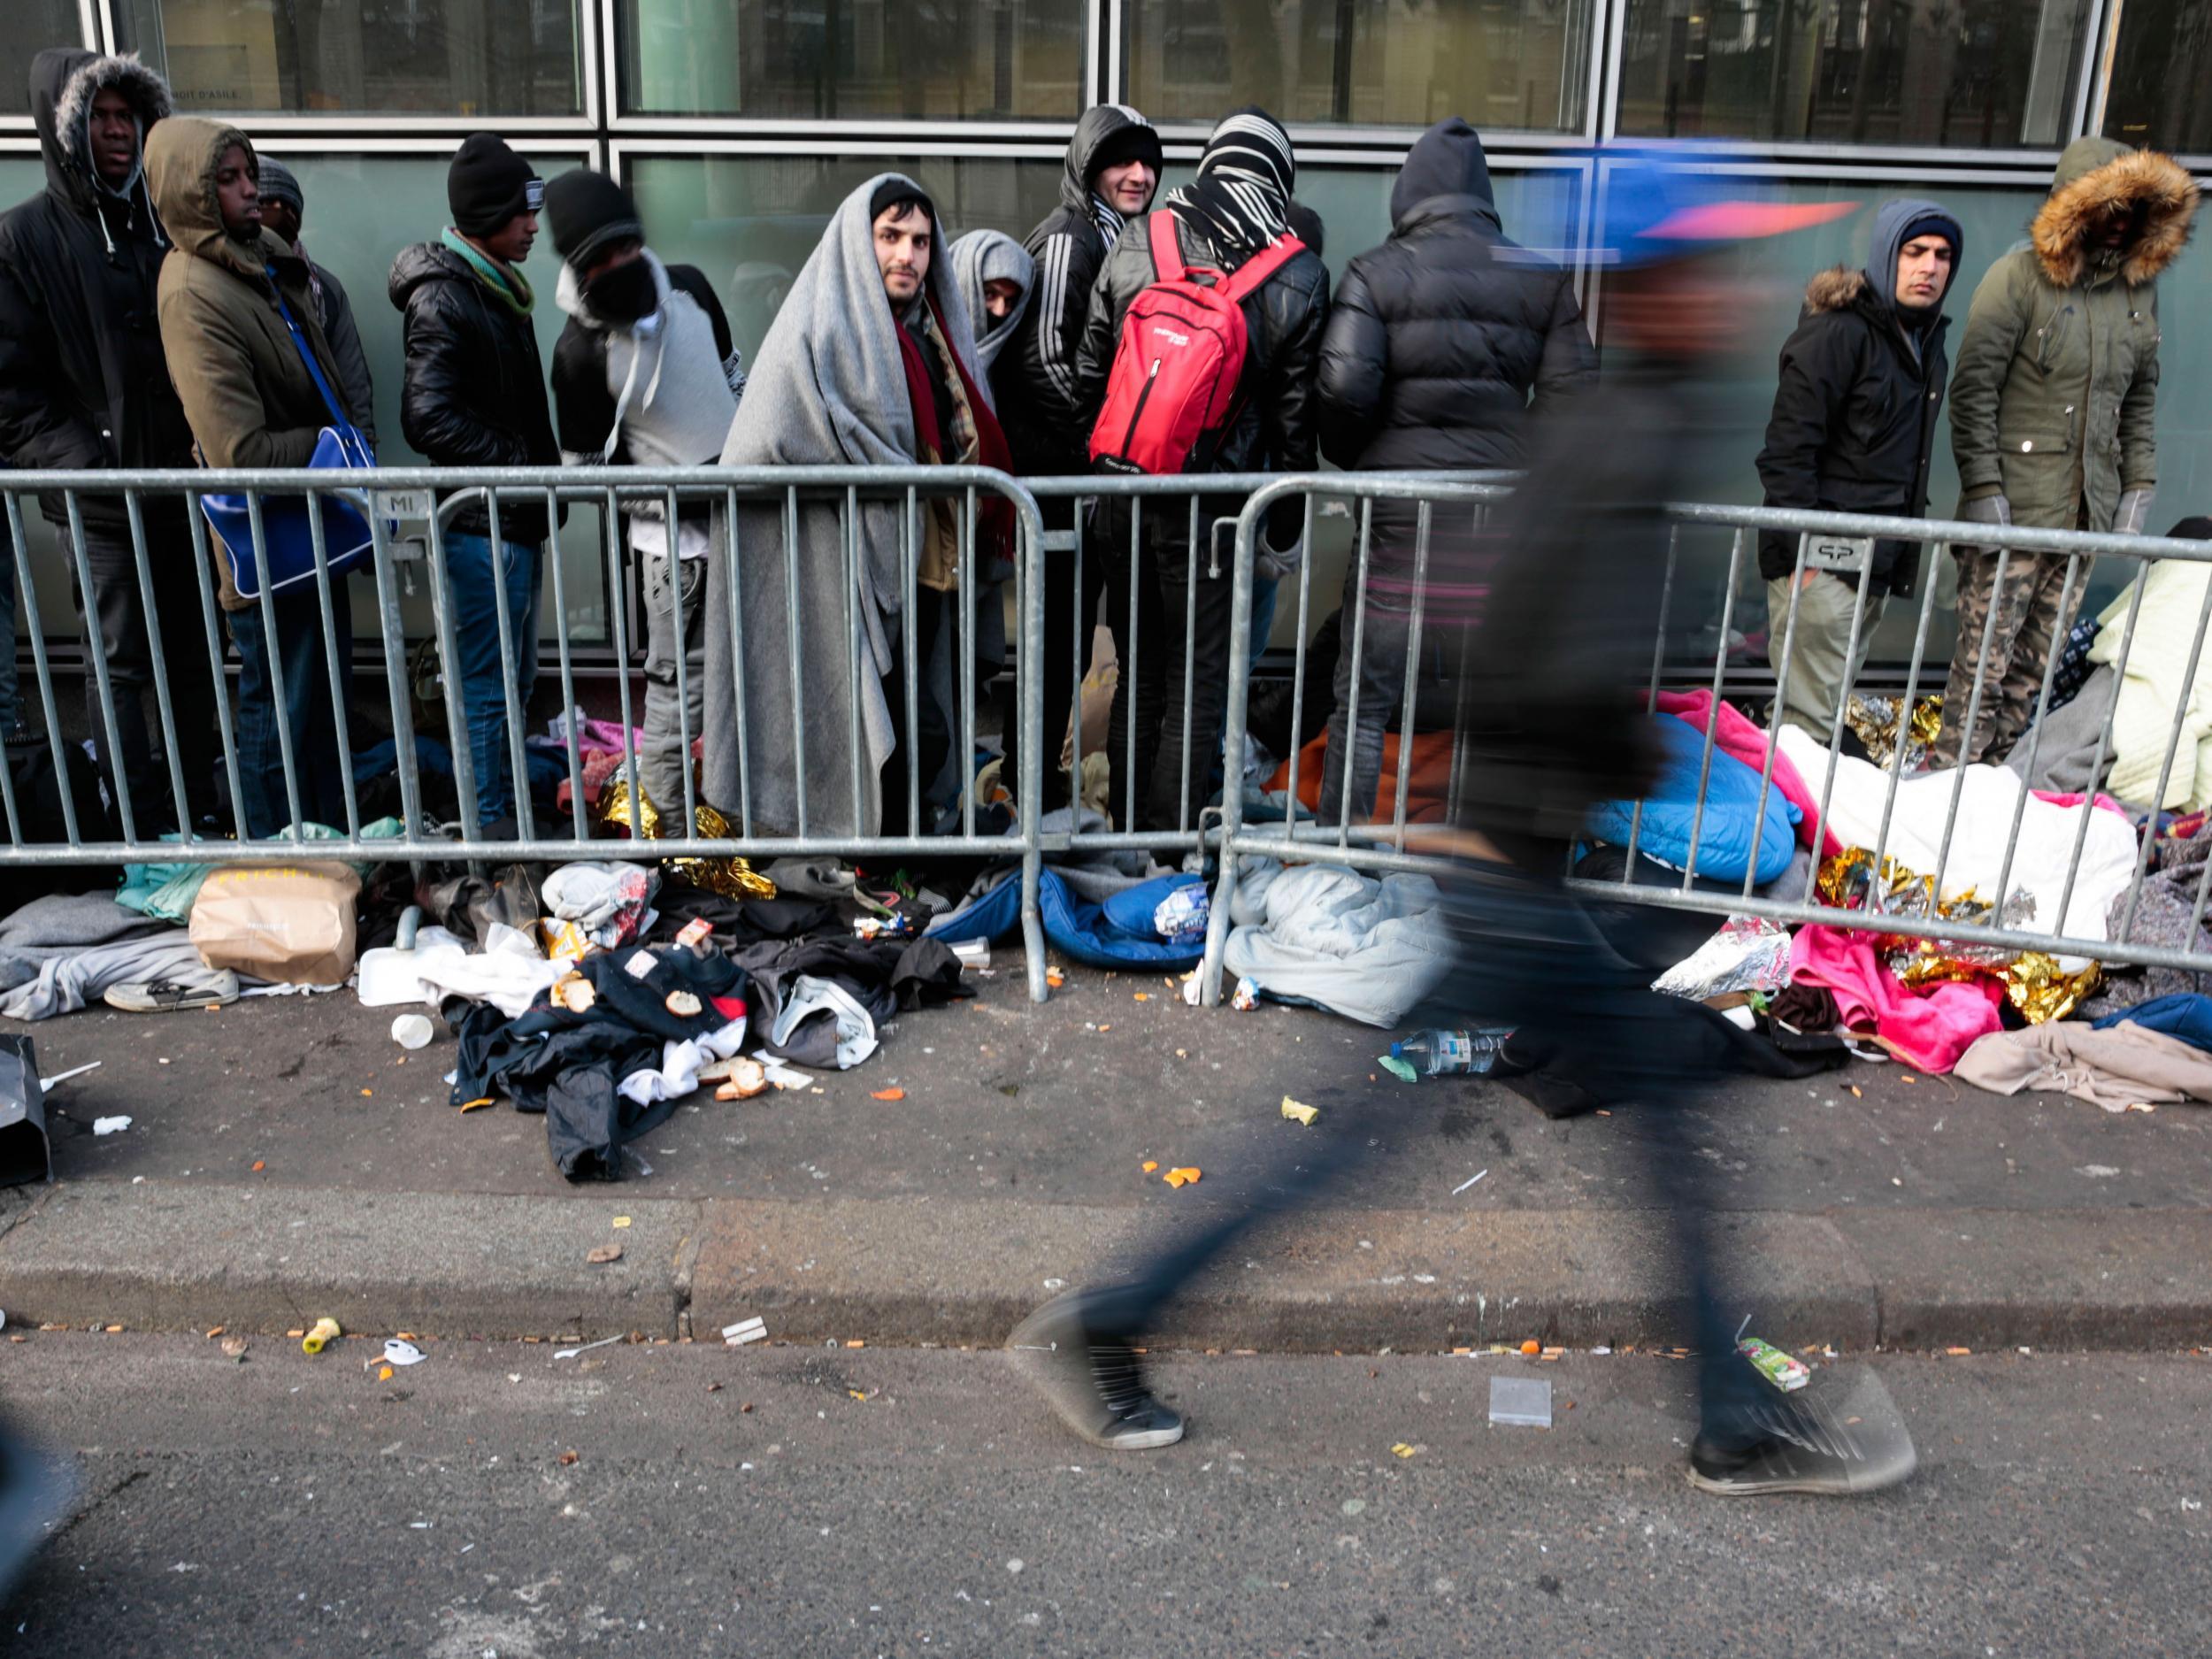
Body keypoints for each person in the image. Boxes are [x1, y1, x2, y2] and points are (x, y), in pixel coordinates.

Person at [1011, 157, 1919, 1501]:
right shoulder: (1619, 430)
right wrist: (1540, 806)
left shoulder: (1623, 417)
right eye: (1710, 271)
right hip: (1519, 863)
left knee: (1517, 1135)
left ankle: (1732, 1410)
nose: (1727, 297)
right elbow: (1539, 644)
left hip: (1514, 852)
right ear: (1663, 285)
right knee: (1399, 1146)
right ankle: (1107, 1322)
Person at [700, 174, 1011, 839]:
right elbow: (759, 447)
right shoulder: (819, 327)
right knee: (895, 721)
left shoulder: (933, 333)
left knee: (918, 716)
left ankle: (903, 845)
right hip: (845, 563)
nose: (907, 255)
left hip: (923, 561)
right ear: (857, 243)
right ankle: (885, 854)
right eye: (890, 237)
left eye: (921, 241)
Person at [1313, 118, 1594, 824]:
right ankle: (1477, 853)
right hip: (1496, 526)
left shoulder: (1374, 272)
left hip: (1397, 522)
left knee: (1365, 698)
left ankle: (1337, 850)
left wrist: (1367, 463)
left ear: (1410, 192)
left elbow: (1343, 393)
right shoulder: (1541, 277)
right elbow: (1574, 402)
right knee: (1490, 697)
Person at [1076, 107, 1328, 835]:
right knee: (1198, 685)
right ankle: (1170, 857)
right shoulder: (1298, 272)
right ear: (1278, 180)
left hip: (1123, 497)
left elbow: (1092, 377)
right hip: (1215, 513)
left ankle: (1125, 838)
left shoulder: (1137, 238)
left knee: (1139, 677)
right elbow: (1292, 429)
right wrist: (1282, 530)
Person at [0, 50, 219, 826]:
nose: (119, 132)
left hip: (180, 492)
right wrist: (95, 469)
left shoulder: (161, 227)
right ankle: (141, 827)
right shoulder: (20, 239)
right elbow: (12, 398)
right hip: (99, 504)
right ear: (65, 129)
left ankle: (203, 815)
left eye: (129, 116)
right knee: (120, 664)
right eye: (100, 117)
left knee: (195, 662)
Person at [1933, 137, 2197, 769]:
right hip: (2015, 513)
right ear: (2077, 207)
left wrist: (2136, 496)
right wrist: (1987, 495)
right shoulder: (2017, 279)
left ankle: (1995, 788)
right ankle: (1947, 789)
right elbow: (1973, 394)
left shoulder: (2137, 294)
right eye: (2110, 207)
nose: (2122, 222)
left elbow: (2139, 402)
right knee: (1981, 671)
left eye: (2133, 209)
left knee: (2032, 671)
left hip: (2084, 517)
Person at [146, 117, 359, 839]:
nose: (249, 191)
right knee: (279, 709)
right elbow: (240, 453)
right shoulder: (191, 290)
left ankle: (329, 851)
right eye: (228, 180)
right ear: (191, 193)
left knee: (320, 705)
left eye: (248, 173)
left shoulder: (256, 255)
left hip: (311, 524)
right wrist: (334, 442)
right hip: (270, 543)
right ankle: (275, 858)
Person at [546, 167, 745, 818]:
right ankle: (666, 835)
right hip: (675, 550)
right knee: (679, 693)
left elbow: (731, 377)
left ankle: (723, 814)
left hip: (748, 525)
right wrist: (679, 496)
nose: (620, 262)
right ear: (578, 264)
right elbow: (584, 471)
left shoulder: (688, 286)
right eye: (601, 257)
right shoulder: (580, 351)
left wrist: (751, 462)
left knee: (743, 680)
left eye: (627, 245)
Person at [389, 133, 566, 827]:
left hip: (511, 520)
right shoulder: (446, 298)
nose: (533, 224)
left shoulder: (495, 288)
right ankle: (490, 828)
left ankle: (509, 814)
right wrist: (517, 461)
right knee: (488, 691)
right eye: (522, 210)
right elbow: (425, 416)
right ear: (489, 212)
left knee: (514, 684)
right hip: (480, 526)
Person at [1755, 199, 1962, 742]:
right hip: (1822, 564)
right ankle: (1788, 826)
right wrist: (1804, 559)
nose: (1929, 267)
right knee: (1808, 726)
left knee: (1816, 717)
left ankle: (1792, 820)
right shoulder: (1839, 334)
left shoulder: (1923, 343)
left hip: (1873, 561)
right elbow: (1787, 452)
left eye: (1942, 256)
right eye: (1915, 252)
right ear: (1886, 255)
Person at [1006, 105, 1163, 809]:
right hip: (1062, 481)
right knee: (1053, 651)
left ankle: (1040, 788)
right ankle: (1029, 795)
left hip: (1082, 479)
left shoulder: (1115, 235)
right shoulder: (1073, 236)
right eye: (1119, 161)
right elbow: (1044, 359)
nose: (1138, 174)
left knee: (1067, 647)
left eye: (1148, 161)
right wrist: (1109, 442)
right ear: (1086, 166)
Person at [253, 157, 375, 449]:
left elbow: (353, 383)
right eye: (266, 204)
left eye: (288, 206)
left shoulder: (326, 289)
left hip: (327, 456)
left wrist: (363, 455)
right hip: (262, 462)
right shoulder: (228, 286)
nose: (279, 214)